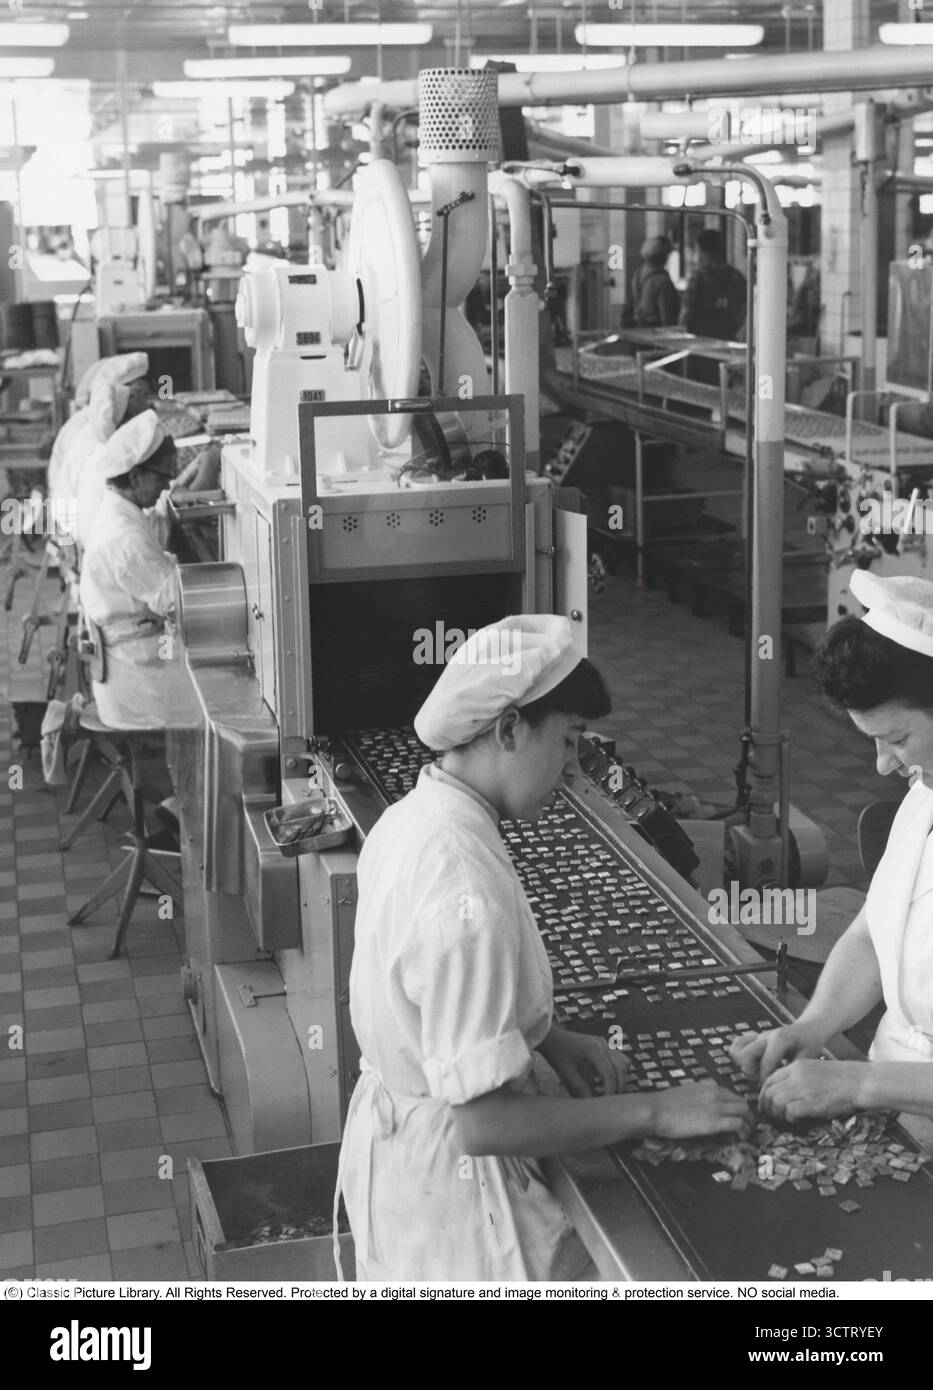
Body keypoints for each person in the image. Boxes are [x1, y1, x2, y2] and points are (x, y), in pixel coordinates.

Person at [335, 615, 753, 1281]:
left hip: (405, 1162)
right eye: (566, 742)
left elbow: (434, 1006)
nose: (571, 768)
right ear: (506, 729)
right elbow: (485, 1124)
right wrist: (656, 1110)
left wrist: (544, 1036)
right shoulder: (463, 886)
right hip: (459, 1199)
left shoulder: (417, 817)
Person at [731, 571, 933, 1123]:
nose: (882, 763)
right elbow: (873, 936)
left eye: (896, 739)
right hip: (890, 1099)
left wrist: (858, 1081)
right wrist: (813, 1026)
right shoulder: (924, 798)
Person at [78, 409, 199, 731]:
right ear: (135, 477)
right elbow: (176, 601)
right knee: (222, 694)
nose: (167, 485)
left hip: (132, 658)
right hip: (135, 684)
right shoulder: (125, 538)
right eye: (163, 477)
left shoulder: (119, 510)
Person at [679, 228, 747, 340]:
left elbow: (686, 311)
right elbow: (742, 311)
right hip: (726, 337)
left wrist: (681, 334)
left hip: (699, 340)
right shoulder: (736, 276)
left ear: (700, 250)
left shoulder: (699, 276)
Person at [629, 235, 680, 330]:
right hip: (656, 333)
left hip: (640, 330)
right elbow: (668, 318)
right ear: (664, 256)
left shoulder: (638, 274)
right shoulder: (663, 282)